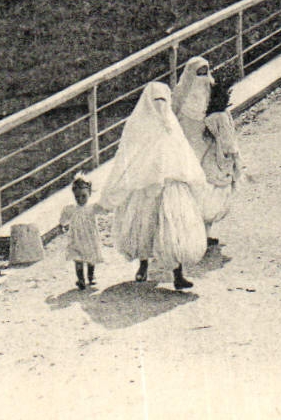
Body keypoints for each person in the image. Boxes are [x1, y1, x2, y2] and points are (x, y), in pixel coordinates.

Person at [99, 82, 208, 291]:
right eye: (156, 101)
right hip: (145, 186)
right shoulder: (137, 125)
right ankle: (143, 265)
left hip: (171, 185)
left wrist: (191, 176)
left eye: (164, 101)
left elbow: (183, 152)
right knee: (144, 226)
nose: (160, 106)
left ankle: (178, 274)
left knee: (175, 229)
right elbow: (128, 156)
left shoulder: (171, 125)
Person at [199, 77, 245, 247]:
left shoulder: (207, 116)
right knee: (217, 197)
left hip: (208, 157)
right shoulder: (222, 116)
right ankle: (204, 235)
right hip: (221, 159)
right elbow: (228, 142)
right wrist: (234, 158)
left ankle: (204, 234)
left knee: (206, 195)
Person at [60, 176, 103, 290]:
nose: (80, 199)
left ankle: (91, 276)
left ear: (89, 194)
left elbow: (104, 209)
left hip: (90, 238)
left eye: (83, 196)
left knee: (91, 258)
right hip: (76, 239)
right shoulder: (71, 209)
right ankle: (80, 279)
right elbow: (64, 218)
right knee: (77, 258)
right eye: (77, 197)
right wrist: (63, 225)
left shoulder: (92, 208)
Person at [172, 56, 214, 160]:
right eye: (199, 74)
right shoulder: (181, 89)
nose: (202, 78)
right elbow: (175, 107)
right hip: (187, 120)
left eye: (204, 74)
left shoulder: (209, 85)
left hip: (204, 120)